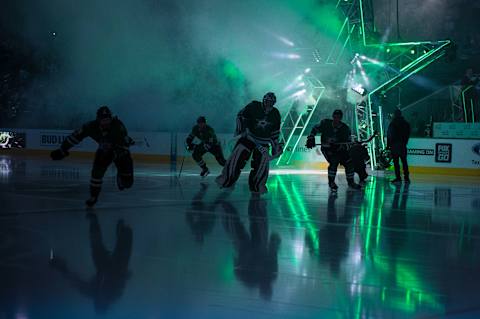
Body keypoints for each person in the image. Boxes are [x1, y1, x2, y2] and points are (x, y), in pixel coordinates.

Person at [50, 106, 134, 207]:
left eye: (108, 119)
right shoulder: (90, 126)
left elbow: (123, 144)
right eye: (103, 120)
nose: (106, 123)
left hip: (121, 151)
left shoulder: (118, 125)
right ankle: (94, 196)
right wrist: (63, 150)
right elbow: (75, 137)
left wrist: (116, 150)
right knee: (96, 173)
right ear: (98, 120)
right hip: (104, 150)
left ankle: (121, 175)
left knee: (127, 184)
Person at [216, 92, 282, 194]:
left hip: (263, 142)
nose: (269, 104)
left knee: (261, 165)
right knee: (237, 159)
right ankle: (226, 181)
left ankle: (257, 186)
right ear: (263, 100)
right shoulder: (253, 106)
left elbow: (275, 133)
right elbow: (240, 115)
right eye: (267, 101)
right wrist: (242, 129)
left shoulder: (276, 113)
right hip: (248, 138)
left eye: (271, 102)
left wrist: (275, 146)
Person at [306, 109, 361, 191]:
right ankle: (331, 182)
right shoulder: (325, 123)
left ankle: (351, 182)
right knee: (334, 161)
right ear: (333, 117)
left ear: (341, 118)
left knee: (349, 162)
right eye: (335, 117)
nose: (336, 119)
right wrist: (311, 137)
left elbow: (347, 142)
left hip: (339, 149)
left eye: (338, 117)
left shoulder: (345, 128)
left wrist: (345, 146)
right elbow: (315, 128)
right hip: (327, 149)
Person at [387, 109, 411, 184]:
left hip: (394, 145)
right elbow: (408, 133)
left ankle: (398, 178)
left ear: (395, 114)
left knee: (396, 163)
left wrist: (388, 145)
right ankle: (406, 178)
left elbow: (389, 135)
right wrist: (405, 142)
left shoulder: (393, 123)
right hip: (403, 145)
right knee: (404, 162)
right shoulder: (406, 123)